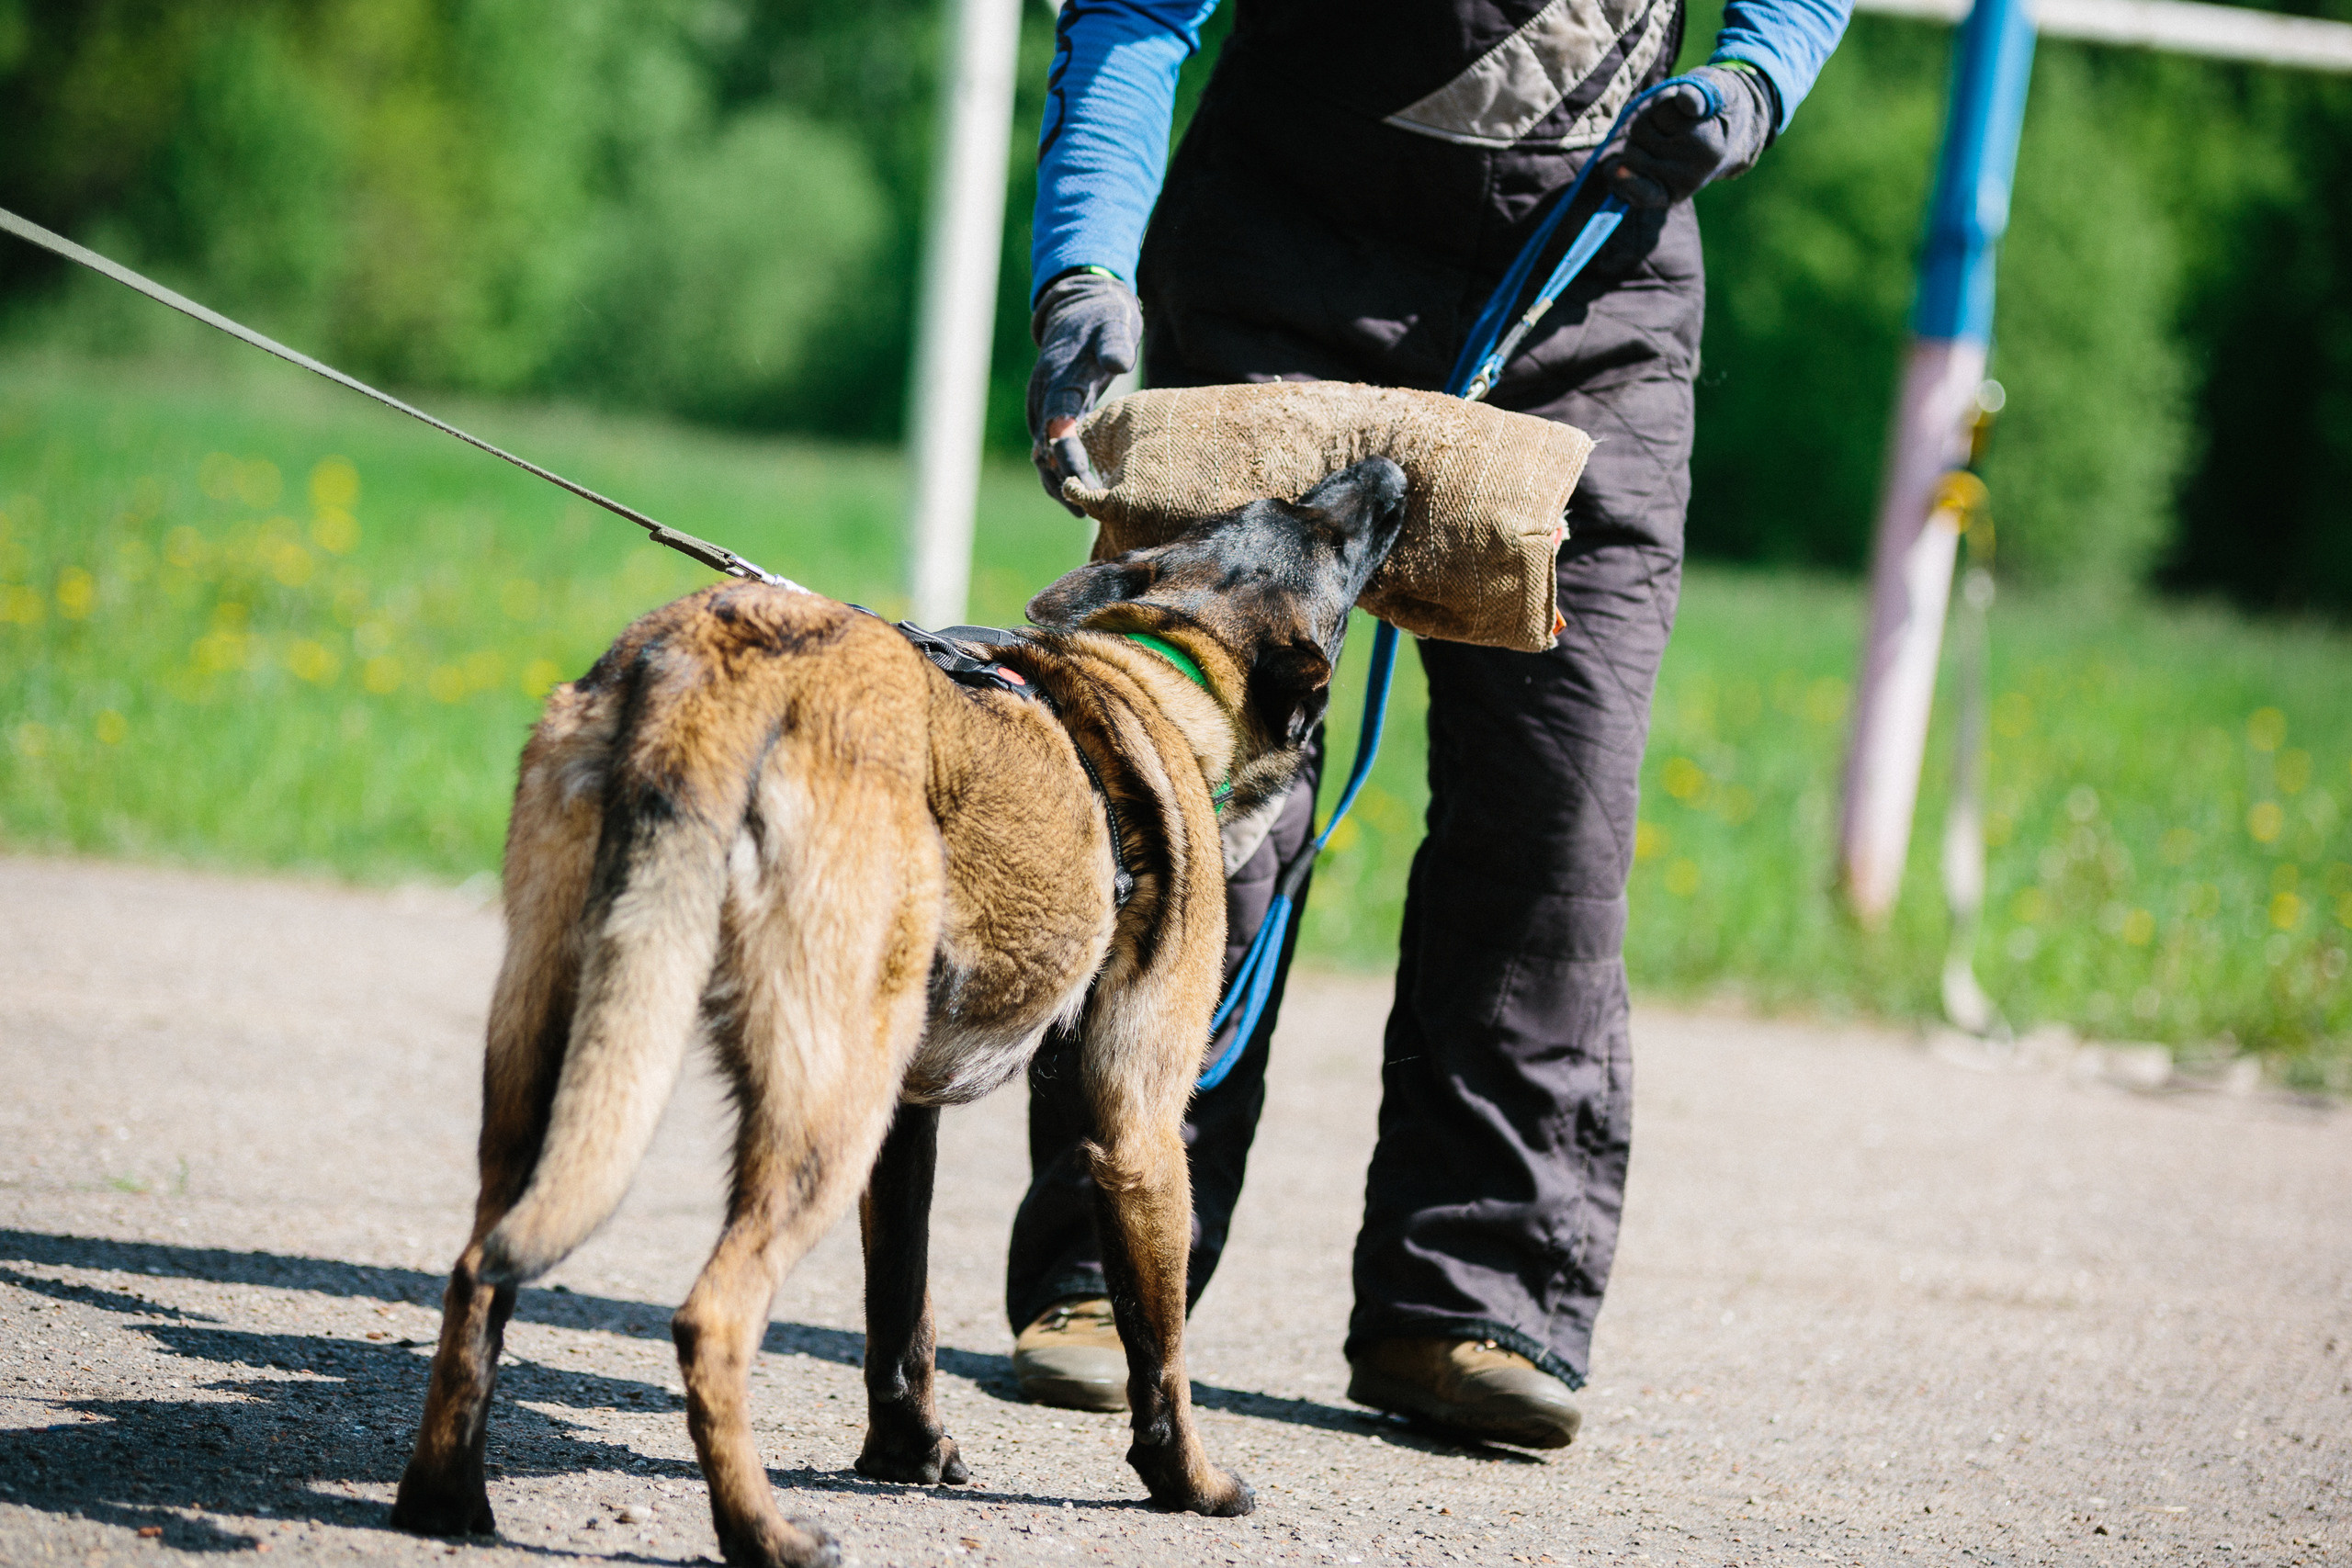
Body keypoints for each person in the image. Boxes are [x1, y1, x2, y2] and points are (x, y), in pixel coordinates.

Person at [1008, 0, 1851, 1447]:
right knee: (1199, 801)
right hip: (1279, 263)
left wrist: (1751, 83)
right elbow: (1136, 17)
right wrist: (1084, 274)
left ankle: (1470, 1302)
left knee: (1551, 815)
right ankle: (1111, 1257)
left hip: (1590, 290)